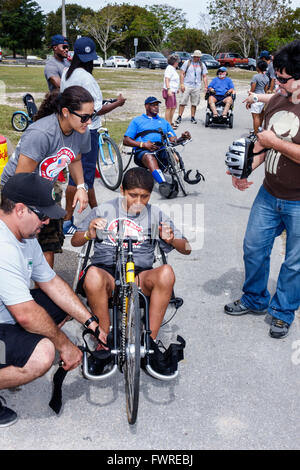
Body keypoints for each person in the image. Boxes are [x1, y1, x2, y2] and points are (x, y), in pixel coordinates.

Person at [0, 173, 102, 427]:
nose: (47, 221)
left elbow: (52, 283)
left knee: (62, 301)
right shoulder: (4, 246)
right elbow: (24, 313)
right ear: (20, 209)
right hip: (12, 314)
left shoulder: (24, 235)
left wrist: (91, 322)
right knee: (43, 355)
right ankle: (13, 362)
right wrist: (65, 346)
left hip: (6, 315)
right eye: (43, 215)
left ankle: (11, 358)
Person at [71, 167, 191, 374]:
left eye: (144, 196)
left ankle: (149, 342)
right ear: (122, 191)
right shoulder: (103, 210)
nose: (138, 201)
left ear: (150, 195)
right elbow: (75, 241)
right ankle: (104, 341)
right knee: (92, 275)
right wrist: (89, 233)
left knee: (167, 272)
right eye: (133, 195)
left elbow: (187, 249)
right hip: (106, 272)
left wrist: (172, 239)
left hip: (139, 275)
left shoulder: (155, 215)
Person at [224, 39, 300, 339]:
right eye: (275, 77)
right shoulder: (278, 101)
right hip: (269, 194)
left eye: (282, 79)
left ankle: (283, 312)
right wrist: (244, 170)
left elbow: (273, 143)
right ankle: (255, 298)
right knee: (254, 249)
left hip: (298, 201)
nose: (276, 83)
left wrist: (274, 143)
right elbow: (263, 147)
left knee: (294, 262)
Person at [1, 85, 93, 268]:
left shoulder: (82, 131)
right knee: (15, 247)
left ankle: (43, 291)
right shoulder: (41, 133)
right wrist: (28, 215)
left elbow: (75, 158)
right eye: (85, 116)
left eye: (92, 115)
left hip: (44, 191)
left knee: (48, 244)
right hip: (14, 193)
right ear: (66, 112)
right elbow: (21, 179)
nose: (89, 122)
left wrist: (81, 187)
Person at [60, 37, 126, 235]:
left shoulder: (67, 73)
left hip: (70, 128)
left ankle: (96, 211)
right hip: (87, 130)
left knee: (85, 176)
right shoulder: (87, 78)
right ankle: (66, 220)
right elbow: (97, 110)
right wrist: (118, 103)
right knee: (79, 178)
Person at [123, 96, 190, 197]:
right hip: (143, 151)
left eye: (157, 105)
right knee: (150, 157)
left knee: (174, 156)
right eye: (153, 105)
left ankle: (160, 172)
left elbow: (173, 140)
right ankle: (163, 184)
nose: (156, 107)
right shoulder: (137, 121)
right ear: (146, 106)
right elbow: (126, 140)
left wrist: (183, 137)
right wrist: (143, 144)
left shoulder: (164, 122)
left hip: (161, 150)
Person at [175, 50, 208, 125]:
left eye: (199, 57)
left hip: (197, 86)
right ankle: (179, 116)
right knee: (183, 101)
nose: (198, 58)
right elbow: (182, 73)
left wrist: (206, 86)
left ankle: (192, 117)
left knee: (194, 103)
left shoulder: (202, 65)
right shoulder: (187, 63)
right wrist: (182, 84)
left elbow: (205, 76)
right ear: (193, 56)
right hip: (187, 85)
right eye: (196, 57)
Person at [248, 60, 269, 134]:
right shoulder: (266, 78)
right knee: (261, 115)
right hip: (262, 97)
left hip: (255, 97)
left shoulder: (255, 77)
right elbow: (265, 90)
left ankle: (255, 133)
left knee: (255, 117)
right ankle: (259, 129)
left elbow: (253, 89)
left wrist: (249, 100)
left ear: (258, 68)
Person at [162, 54, 180, 129]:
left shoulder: (173, 69)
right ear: (174, 62)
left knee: (173, 107)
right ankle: (168, 124)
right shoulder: (169, 68)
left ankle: (171, 122)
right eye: (177, 61)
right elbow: (167, 79)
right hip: (169, 90)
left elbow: (174, 80)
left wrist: (177, 88)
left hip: (173, 90)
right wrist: (169, 89)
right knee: (169, 107)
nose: (178, 63)